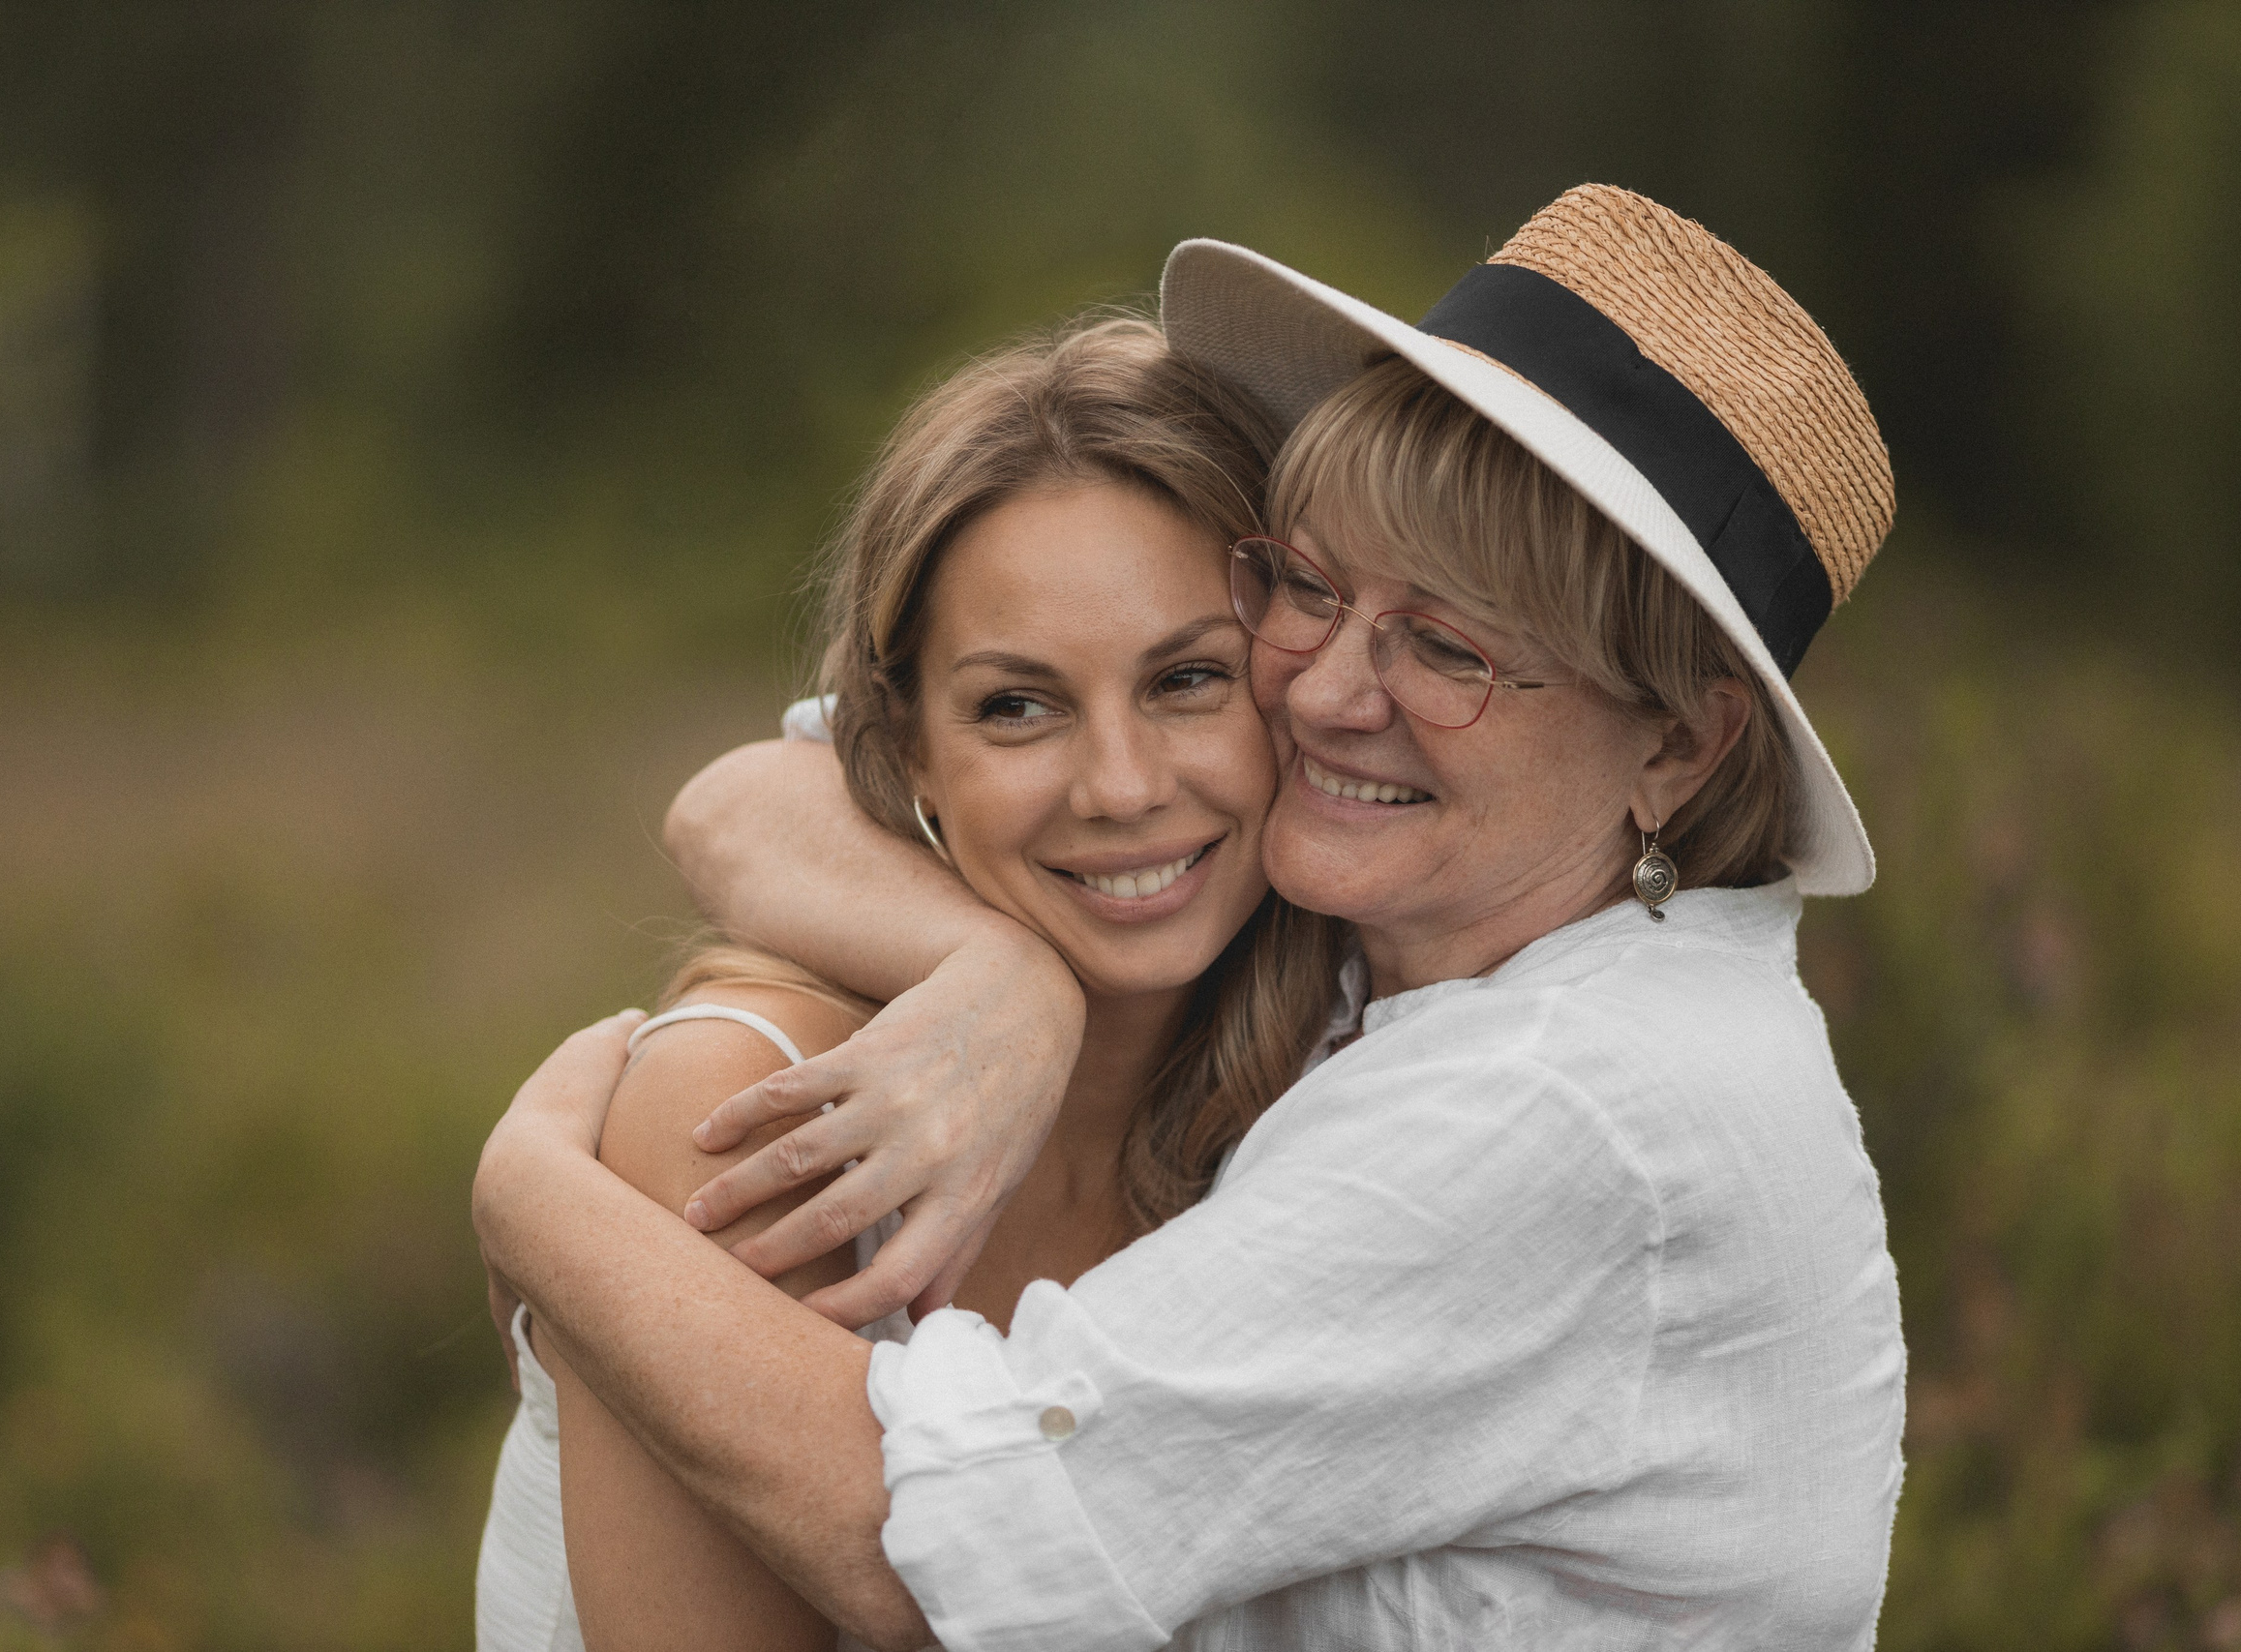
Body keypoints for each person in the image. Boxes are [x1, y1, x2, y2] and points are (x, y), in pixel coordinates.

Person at [477, 185, 1907, 1649]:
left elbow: (945, 1551)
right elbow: (766, 787)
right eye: (1310, 591)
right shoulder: (1356, 971)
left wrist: (535, 1202)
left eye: (1448, 649)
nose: (1331, 694)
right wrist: (993, 969)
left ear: (1677, 746)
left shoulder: (1545, 1105)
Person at [473, 315, 1347, 1652]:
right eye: (1017, 707)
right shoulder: (749, 1105)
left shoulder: (1339, 1075)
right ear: (901, 748)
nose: (1120, 787)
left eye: (1187, 680)